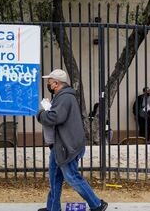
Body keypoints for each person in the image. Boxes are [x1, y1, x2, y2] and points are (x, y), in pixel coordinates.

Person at [37, 69, 108, 211]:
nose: (48, 84)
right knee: (55, 177)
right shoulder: (62, 96)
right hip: (60, 145)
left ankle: (97, 204)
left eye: (49, 82)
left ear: (56, 83)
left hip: (66, 146)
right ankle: (53, 207)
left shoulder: (65, 97)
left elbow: (54, 117)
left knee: (72, 177)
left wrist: (41, 113)